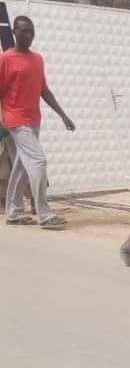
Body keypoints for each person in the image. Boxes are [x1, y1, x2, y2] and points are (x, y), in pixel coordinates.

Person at [0, 16, 75, 228]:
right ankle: (45, 214)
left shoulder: (37, 59)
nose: (28, 35)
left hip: (34, 119)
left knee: (23, 165)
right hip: (16, 120)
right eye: (24, 31)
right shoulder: (6, 59)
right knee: (39, 161)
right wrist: (2, 118)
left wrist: (63, 115)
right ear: (15, 32)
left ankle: (13, 213)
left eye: (31, 31)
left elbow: (44, 90)